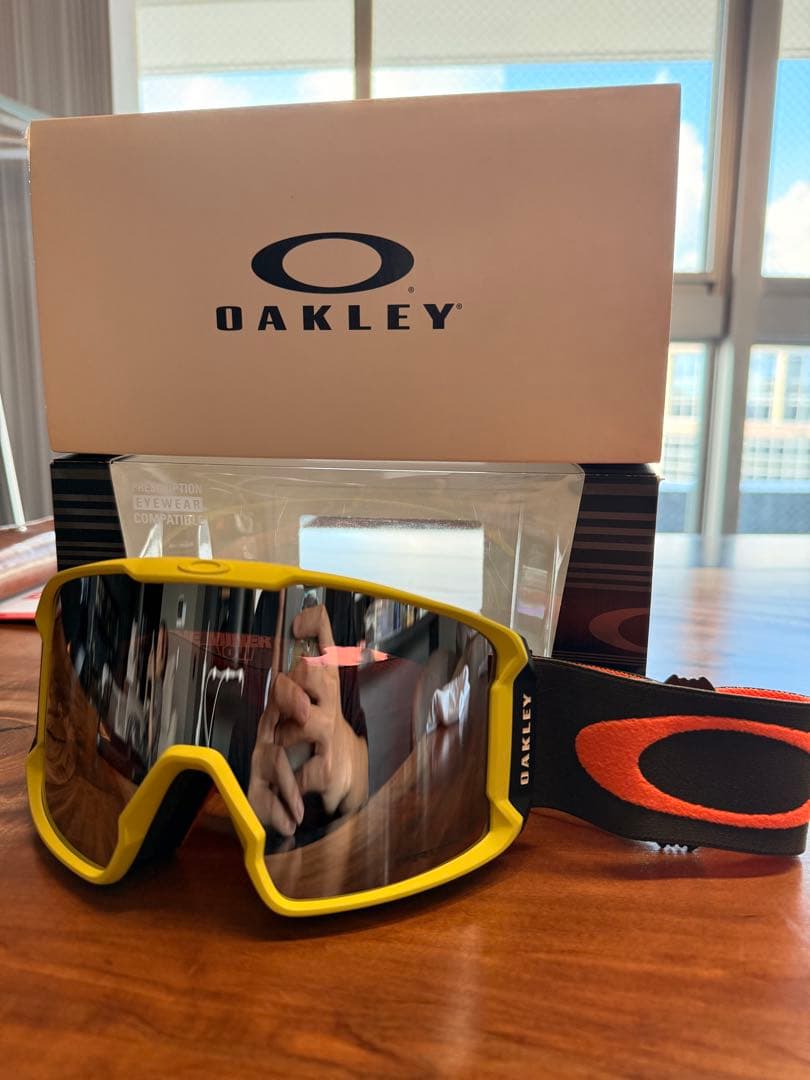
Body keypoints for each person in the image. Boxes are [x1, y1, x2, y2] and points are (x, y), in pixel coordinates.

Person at [228, 589, 369, 843]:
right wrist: (248, 801)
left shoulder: (338, 600)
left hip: (326, 842)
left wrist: (350, 767)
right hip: (260, 841)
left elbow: (364, 775)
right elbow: (239, 752)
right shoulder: (268, 601)